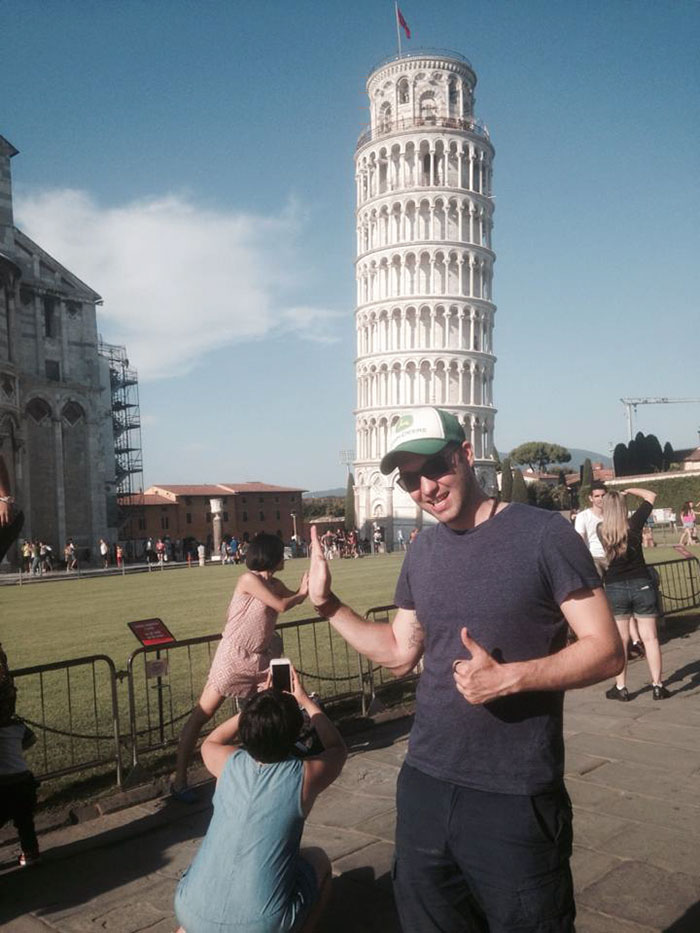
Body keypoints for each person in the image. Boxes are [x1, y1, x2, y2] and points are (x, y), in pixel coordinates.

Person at [307, 406, 623, 933]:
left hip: (514, 793)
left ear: (466, 455)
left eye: (436, 467)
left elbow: (607, 649)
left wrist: (510, 677)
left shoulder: (544, 534)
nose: (426, 487)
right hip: (425, 783)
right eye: (410, 479)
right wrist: (327, 605)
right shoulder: (423, 551)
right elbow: (399, 652)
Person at [174, 668, 346, 933]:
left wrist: (257, 706)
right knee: (318, 860)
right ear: (294, 732)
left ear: (246, 730)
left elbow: (212, 740)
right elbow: (336, 748)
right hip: (261, 923)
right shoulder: (303, 776)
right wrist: (304, 700)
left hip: (189, 908)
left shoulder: (227, 762)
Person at [173, 532, 309, 798]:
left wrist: (308, 587)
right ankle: (179, 780)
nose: (286, 556)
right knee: (203, 714)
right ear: (273, 556)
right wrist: (301, 593)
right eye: (282, 552)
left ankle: (265, 768)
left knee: (269, 713)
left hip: (260, 660)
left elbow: (294, 598)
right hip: (233, 657)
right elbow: (282, 605)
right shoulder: (248, 580)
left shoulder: (275, 583)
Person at [600, 488, 671, 701]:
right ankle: (658, 685)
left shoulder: (600, 529)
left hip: (615, 586)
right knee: (650, 638)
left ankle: (621, 687)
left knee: (621, 639)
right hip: (641, 583)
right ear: (623, 507)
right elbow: (651, 496)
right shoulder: (635, 524)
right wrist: (629, 490)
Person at [0, 644, 40, 868]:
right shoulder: (16, 727)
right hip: (22, 784)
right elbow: (29, 741)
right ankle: (31, 853)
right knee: (25, 823)